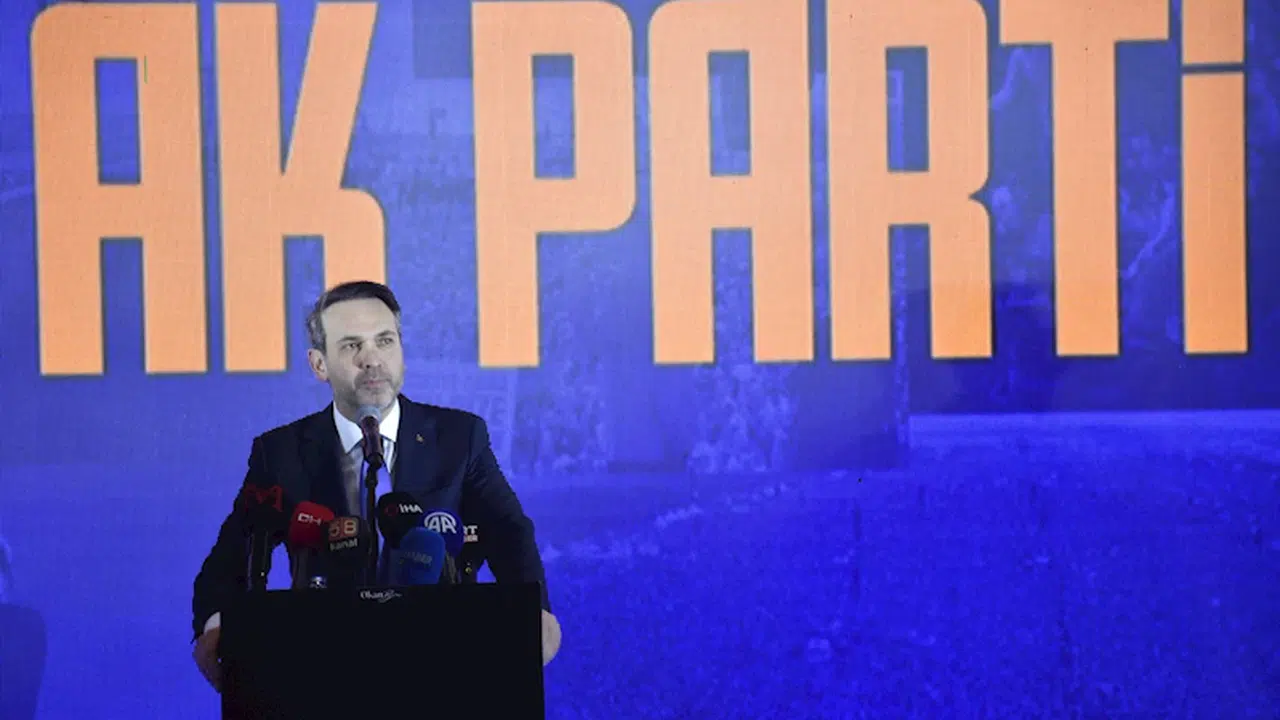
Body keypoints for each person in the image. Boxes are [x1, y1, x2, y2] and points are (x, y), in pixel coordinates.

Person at [191, 281, 560, 691]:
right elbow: (229, 560)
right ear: (319, 364)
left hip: (442, 661)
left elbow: (508, 530)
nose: (371, 360)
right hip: (323, 671)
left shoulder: (460, 437)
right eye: (351, 346)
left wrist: (538, 613)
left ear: (401, 351)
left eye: (384, 341)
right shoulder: (280, 453)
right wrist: (216, 627)